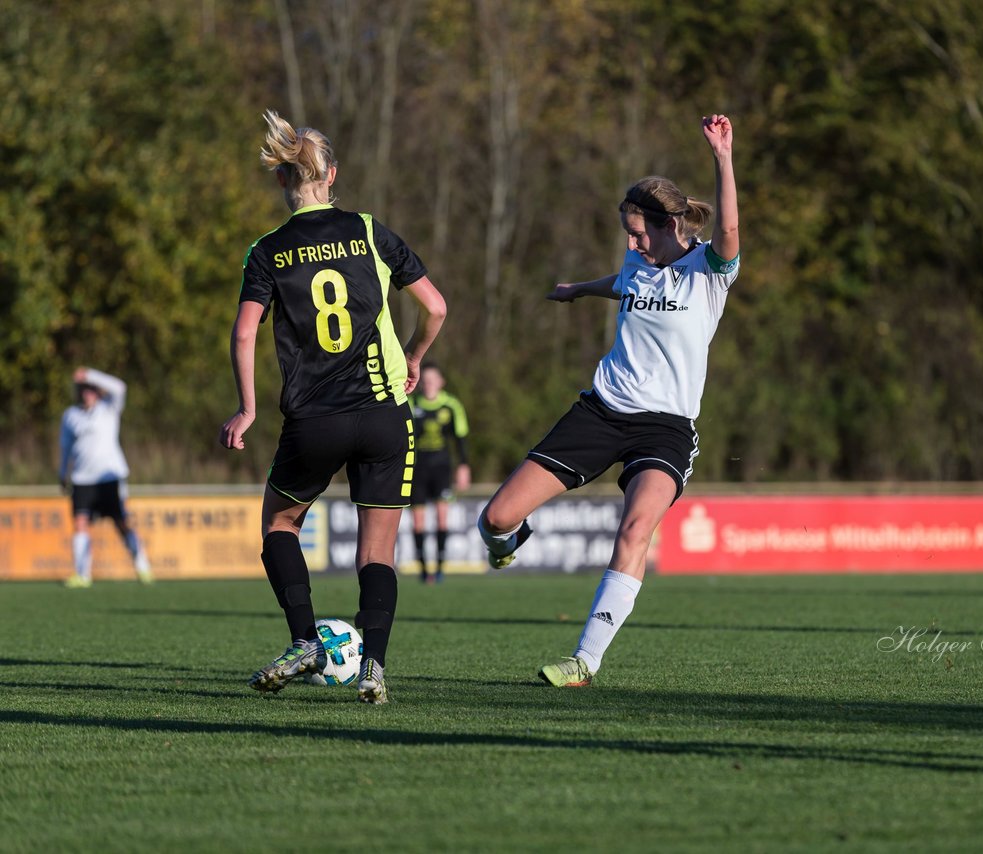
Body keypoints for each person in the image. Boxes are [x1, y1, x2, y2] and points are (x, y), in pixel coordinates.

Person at [477, 114, 739, 687]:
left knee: (635, 530)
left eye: (639, 232)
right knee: (495, 518)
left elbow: (729, 235)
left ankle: (583, 661)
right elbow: (618, 282)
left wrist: (722, 156)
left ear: (671, 225)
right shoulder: (635, 264)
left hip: (665, 429)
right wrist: (577, 291)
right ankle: (508, 543)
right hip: (599, 412)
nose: (631, 242)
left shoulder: (708, 273)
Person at [220, 110, 447, 705]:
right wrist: (417, 357)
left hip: (313, 420)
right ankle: (373, 667)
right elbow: (438, 307)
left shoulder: (267, 250)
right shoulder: (369, 229)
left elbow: (245, 334)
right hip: (383, 413)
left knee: (278, 523)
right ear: (333, 175)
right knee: (377, 550)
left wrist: (246, 409)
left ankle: (304, 641)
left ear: (282, 182)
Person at [59, 367, 152, 587]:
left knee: (122, 523)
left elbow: (120, 387)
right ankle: (82, 575)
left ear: (98, 391)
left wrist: (89, 375)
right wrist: (63, 472)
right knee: (80, 523)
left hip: (109, 477)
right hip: (82, 478)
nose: (87, 393)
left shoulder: (108, 409)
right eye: (84, 389)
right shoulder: (71, 415)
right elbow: (65, 446)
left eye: (91, 389)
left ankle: (142, 566)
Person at [406, 362, 471, 584]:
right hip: (416, 470)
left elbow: (461, 438)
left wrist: (463, 466)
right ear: (420, 382)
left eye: (434, 380)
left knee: (442, 518)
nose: (429, 384)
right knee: (418, 522)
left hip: (442, 468)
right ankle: (424, 569)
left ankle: (440, 567)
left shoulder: (451, 405)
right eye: (426, 380)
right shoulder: (411, 404)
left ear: (441, 382)